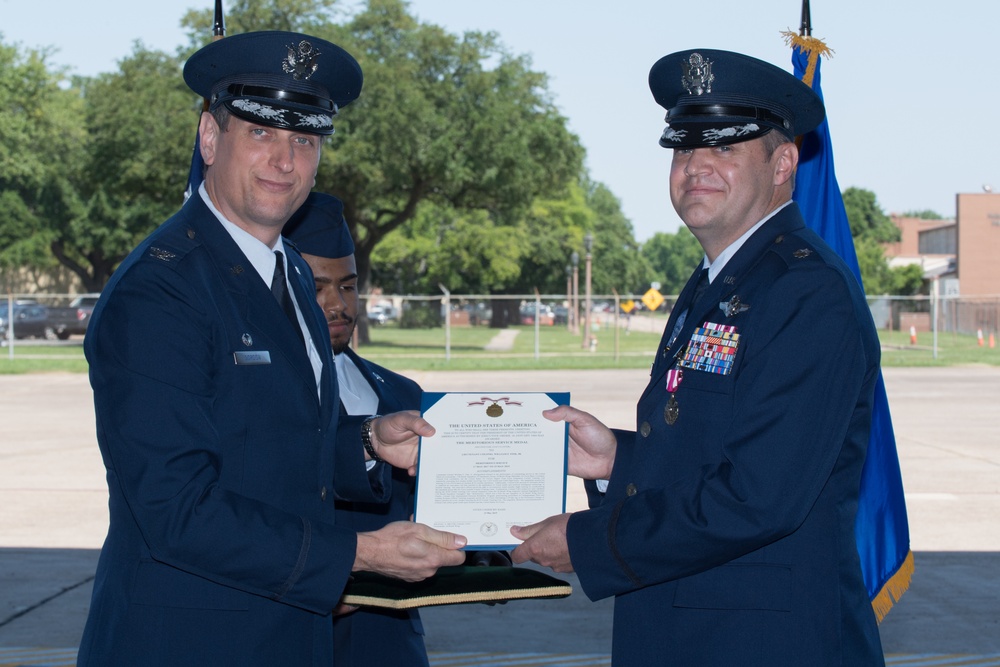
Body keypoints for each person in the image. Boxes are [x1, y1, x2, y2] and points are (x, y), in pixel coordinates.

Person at [77, 31, 466, 666]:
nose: (284, 161)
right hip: (188, 643)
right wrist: (361, 554)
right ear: (209, 138)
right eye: (260, 133)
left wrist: (367, 442)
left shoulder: (283, 269)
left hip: (284, 635)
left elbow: (271, 444)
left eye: (304, 140)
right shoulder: (163, 289)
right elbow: (176, 507)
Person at [510, 49, 885, 665]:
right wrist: (616, 459)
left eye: (725, 149)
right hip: (695, 630)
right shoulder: (724, 280)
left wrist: (588, 542)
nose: (696, 168)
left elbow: (758, 496)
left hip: (763, 644)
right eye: (685, 149)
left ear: (783, 163)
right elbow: (709, 444)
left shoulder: (803, 289)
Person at [285, 194, 510, 666]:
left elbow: (428, 503)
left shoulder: (400, 392)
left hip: (386, 642)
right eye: (318, 287)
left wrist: (481, 547)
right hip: (293, 629)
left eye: (348, 287)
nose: (338, 305)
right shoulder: (262, 395)